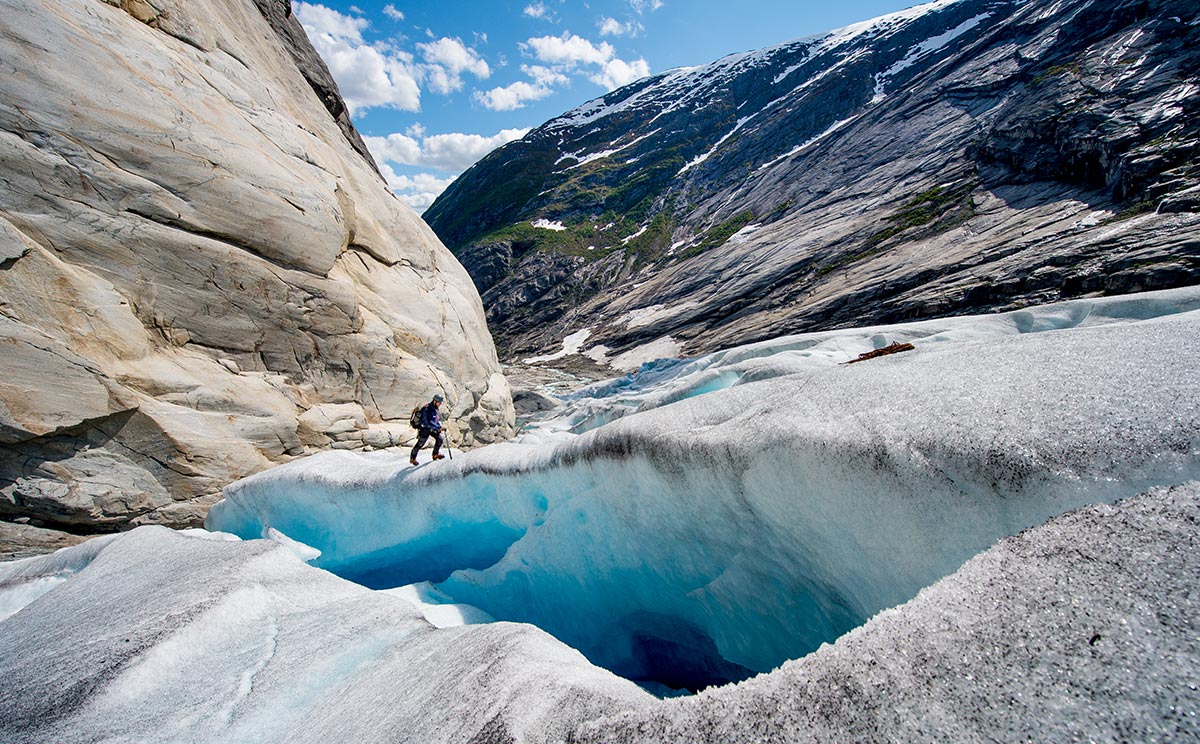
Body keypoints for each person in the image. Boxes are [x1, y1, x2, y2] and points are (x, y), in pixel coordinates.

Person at [410, 394, 447, 465]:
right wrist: (438, 427)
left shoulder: (435, 408)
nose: (440, 404)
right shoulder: (426, 409)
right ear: (435, 401)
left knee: (440, 440)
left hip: (432, 428)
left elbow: (435, 420)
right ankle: (413, 458)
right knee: (420, 444)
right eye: (439, 402)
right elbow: (427, 422)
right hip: (425, 429)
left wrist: (439, 426)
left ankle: (435, 454)